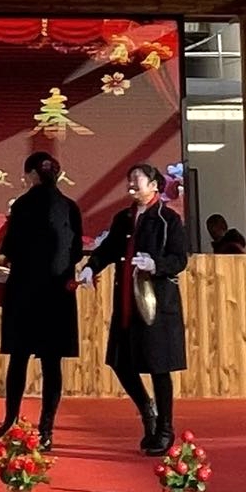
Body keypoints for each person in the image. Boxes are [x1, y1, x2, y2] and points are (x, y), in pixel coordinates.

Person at [84, 163, 190, 455]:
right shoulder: (123, 218)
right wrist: (91, 267)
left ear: (154, 185)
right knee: (120, 361)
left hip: (156, 305)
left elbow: (179, 259)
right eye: (129, 181)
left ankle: (165, 429)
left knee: (159, 367)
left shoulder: (168, 219)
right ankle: (147, 410)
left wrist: (156, 265)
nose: (131, 186)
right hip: (126, 302)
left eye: (137, 181)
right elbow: (107, 249)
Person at [0, 150, 83, 448]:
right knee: (52, 363)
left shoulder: (21, 206)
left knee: (18, 359)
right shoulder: (70, 207)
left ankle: (10, 421)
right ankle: (47, 429)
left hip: (24, 292)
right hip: (57, 294)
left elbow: (10, 249)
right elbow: (76, 251)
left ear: (32, 175)